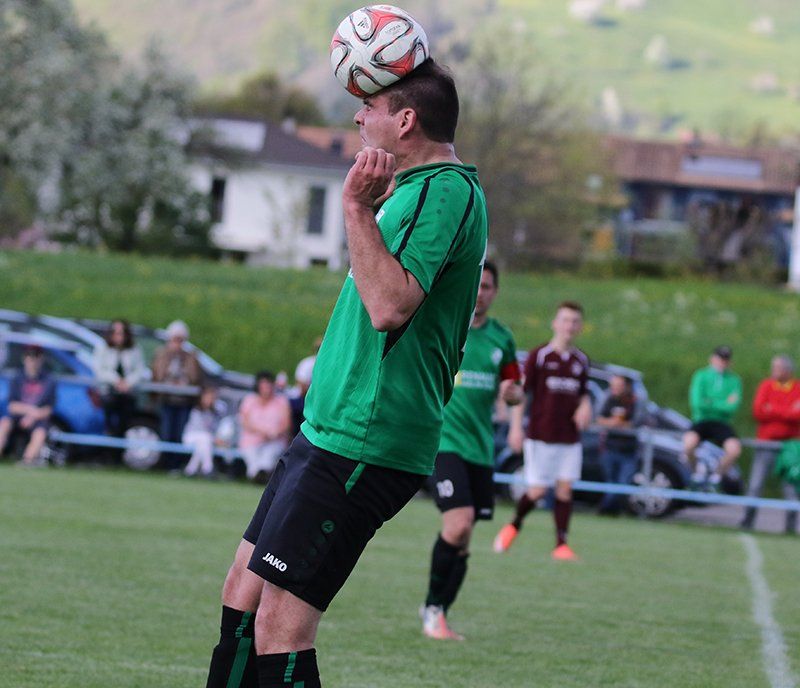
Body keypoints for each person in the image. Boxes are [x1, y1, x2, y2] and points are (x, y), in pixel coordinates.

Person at [204, 58, 487, 688]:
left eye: (370, 106)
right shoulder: (411, 190)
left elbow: (389, 307)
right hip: (327, 432)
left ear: (405, 121)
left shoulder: (443, 189)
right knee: (242, 599)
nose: (358, 117)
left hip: (364, 440)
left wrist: (355, 209)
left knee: (281, 625)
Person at [420, 261, 522, 640]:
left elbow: (515, 389)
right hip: (443, 442)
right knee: (458, 523)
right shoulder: (446, 322)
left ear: (495, 292)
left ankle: (438, 611)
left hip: (480, 449)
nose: (480, 292)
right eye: (477, 284)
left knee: (463, 540)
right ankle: (433, 610)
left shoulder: (501, 338)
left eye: (488, 286)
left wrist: (512, 394)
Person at [493, 301, 592, 561]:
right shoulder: (539, 356)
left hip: (569, 437)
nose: (569, 325)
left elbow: (583, 395)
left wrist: (585, 407)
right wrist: (516, 428)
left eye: (574, 321)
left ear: (580, 327)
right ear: (555, 324)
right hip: (540, 435)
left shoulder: (581, 361)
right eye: (565, 320)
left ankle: (561, 545)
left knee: (565, 489)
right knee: (538, 491)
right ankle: (514, 524)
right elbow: (521, 395)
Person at [741, 355, 800, 533]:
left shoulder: (797, 388)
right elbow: (758, 411)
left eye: (778, 367)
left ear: (788, 370)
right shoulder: (766, 385)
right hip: (766, 444)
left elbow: (797, 415)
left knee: (791, 487)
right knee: (755, 484)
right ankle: (747, 522)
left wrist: (772, 409)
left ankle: (790, 528)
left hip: (789, 447)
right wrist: (787, 411)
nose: (774, 371)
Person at [683, 345, 742, 489]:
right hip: (702, 420)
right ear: (712, 359)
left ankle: (716, 476)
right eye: (720, 358)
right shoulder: (701, 375)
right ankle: (697, 473)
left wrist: (710, 402)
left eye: (725, 359)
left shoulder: (734, 380)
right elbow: (697, 403)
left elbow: (732, 407)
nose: (722, 362)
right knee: (688, 444)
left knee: (734, 450)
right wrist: (722, 403)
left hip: (722, 422)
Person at [151, 320, 202, 470]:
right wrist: (168, 356)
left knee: (180, 434)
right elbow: (158, 375)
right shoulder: (161, 354)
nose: (177, 343)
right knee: (166, 432)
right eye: (175, 339)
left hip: (184, 401)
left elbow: (195, 377)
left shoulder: (191, 356)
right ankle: (165, 463)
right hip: (166, 400)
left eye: (180, 340)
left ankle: (176, 464)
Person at [596, 374, 643, 516]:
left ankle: (605, 509)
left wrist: (620, 424)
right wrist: (612, 423)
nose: (615, 389)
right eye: (613, 386)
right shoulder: (608, 399)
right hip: (609, 448)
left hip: (628, 451)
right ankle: (610, 511)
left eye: (619, 386)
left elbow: (636, 422)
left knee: (623, 483)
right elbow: (598, 418)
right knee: (610, 482)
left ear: (627, 386)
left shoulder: (635, 401)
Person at [0, 345, 56, 465]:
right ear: (24, 358)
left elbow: (48, 410)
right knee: (4, 423)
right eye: (29, 356)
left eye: (36, 356)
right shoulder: (17, 378)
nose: (33, 360)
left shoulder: (49, 380)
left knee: (40, 432)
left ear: (41, 359)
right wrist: (30, 411)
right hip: (18, 416)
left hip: (38, 418)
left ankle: (27, 462)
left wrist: (32, 417)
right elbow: (12, 406)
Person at [91, 319, 147, 437]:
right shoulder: (102, 347)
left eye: (121, 333)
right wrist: (116, 380)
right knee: (108, 423)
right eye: (115, 333)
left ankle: (119, 444)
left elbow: (139, 370)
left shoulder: (134, 349)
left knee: (124, 424)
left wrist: (127, 383)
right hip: (107, 392)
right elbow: (98, 369)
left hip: (128, 393)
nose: (119, 336)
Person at [238, 371, 292, 481]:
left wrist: (274, 433)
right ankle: (257, 475)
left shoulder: (281, 401)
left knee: (269, 456)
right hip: (252, 440)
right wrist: (262, 432)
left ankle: (260, 474)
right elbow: (244, 421)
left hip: (275, 440)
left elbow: (287, 425)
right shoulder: (249, 400)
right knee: (252, 456)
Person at [183, 386, 226, 477]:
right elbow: (199, 429)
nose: (210, 400)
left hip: (205, 440)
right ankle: (208, 468)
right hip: (191, 436)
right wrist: (215, 439)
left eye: (212, 398)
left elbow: (215, 429)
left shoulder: (215, 412)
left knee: (203, 445)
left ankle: (190, 470)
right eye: (208, 397)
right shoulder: (196, 410)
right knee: (205, 439)